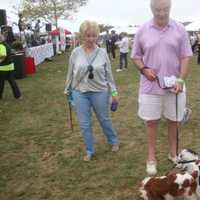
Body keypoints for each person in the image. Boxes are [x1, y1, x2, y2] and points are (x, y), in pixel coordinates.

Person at [131, 0, 192, 175]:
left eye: (166, 9)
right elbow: (136, 56)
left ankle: (173, 153)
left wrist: (181, 80)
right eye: (158, 10)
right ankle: (151, 157)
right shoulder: (142, 30)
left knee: (174, 121)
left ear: (170, 8)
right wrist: (143, 69)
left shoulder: (179, 29)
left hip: (175, 86)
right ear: (151, 9)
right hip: (150, 87)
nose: (162, 13)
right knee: (151, 122)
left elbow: (186, 56)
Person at [64, 20, 119, 161]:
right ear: (82, 35)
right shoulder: (75, 53)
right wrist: (67, 90)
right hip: (79, 93)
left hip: (100, 91)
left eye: (94, 36)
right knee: (84, 123)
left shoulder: (102, 52)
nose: (91, 39)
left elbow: (109, 75)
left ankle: (113, 140)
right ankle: (89, 150)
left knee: (104, 119)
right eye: (88, 36)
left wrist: (114, 93)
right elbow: (70, 73)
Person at [0, 33, 22, 100]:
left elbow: (3, 56)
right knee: (12, 82)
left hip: (3, 68)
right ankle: (18, 96)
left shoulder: (1, 46)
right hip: (10, 67)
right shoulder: (6, 44)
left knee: (1, 83)